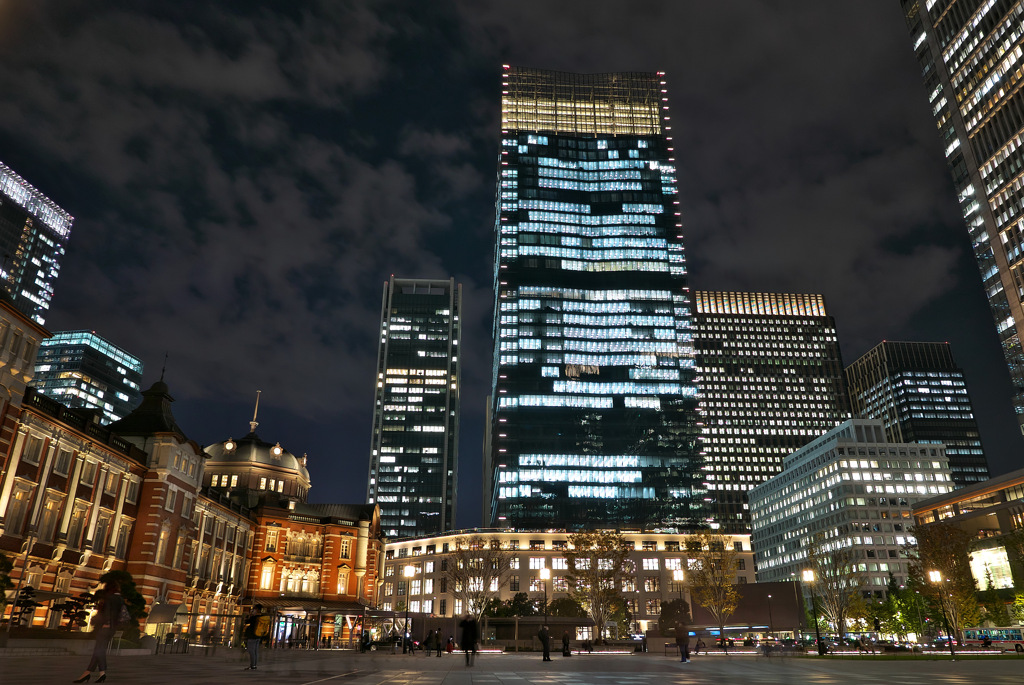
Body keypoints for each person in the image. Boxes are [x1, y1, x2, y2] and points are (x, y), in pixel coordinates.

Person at [73, 579, 126, 683]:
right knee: (99, 650)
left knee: (99, 650)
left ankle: (101, 673)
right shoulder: (120, 599)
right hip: (113, 628)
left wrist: (105, 623)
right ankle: (88, 673)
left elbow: (107, 612)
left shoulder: (109, 598)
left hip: (105, 627)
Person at [242, 604, 268, 671]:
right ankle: (254, 665)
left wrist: (250, 615)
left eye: (254, 609)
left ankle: (252, 666)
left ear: (257, 609)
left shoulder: (254, 617)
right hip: (258, 636)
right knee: (255, 651)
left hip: (252, 636)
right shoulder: (261, 617)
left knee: (251, 651)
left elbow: (246, 622)